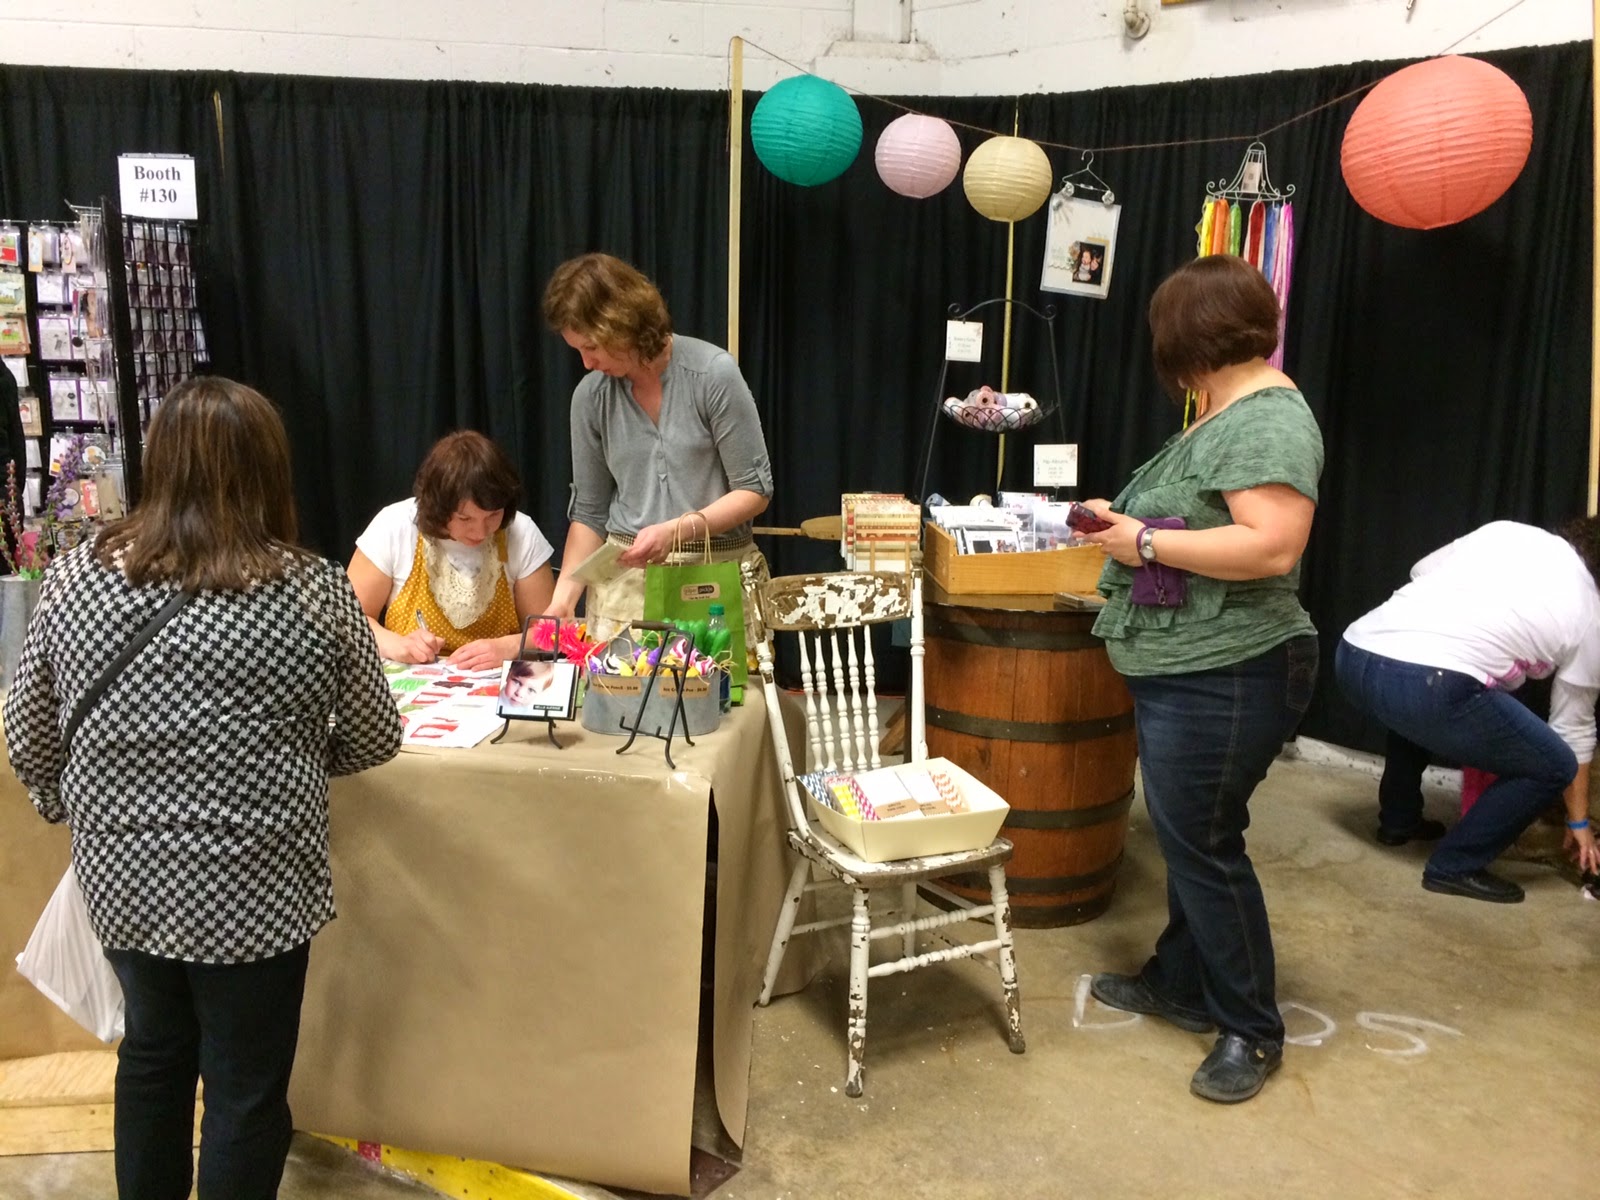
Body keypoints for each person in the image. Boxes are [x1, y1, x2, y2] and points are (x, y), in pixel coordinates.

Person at [3, 377, 403, 1200]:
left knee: (152, 1057)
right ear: (269, 470)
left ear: (160, 465)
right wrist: (284, 759)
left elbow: (28, 734)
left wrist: (78, 805)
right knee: (245, 1087)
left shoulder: (76, 580)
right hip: (259, 884)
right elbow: (374, 735)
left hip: (123, 879)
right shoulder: (313, 589)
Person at [1079, 254, 1324, 1105]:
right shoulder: (1227, 411)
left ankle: (1252, 1029)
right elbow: (1211, 523)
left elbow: (1272, 546)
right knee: (1191, 837)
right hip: (1197, 667)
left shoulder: (1267, 418)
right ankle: (1181, 983)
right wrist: (1128, 525)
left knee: (1206, 846)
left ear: (1185, 336)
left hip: (1232, 669)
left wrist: (1143, 542)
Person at [1335, 519, 1600, 902]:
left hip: (1353, 655)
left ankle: (1399, 820)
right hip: (1424, 685)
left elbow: (1421, 570)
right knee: (1554, 764)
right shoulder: (1592, 615)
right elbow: (1572, 730)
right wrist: (1578, 822)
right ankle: (1455, 865)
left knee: (1417, 702)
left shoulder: (1509, 532)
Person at [541, 252, 773, 643]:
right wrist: (563, 600)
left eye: (592, 347)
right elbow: (590, 513)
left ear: (621, 323)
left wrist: (675, 532)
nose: (586, 363)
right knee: (619, 685)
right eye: (577, 350)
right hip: (625, 592)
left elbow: (754, 491)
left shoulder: (712, 374)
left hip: (713, 580)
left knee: (719, 685)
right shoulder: (591, 398)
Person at [348, 430, 556, 669]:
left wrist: (510, 646)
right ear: (437, 508)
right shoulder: (394, 526)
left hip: (496, 680)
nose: (480, 531)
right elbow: (349, 620)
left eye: (493, 515)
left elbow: (553, 631)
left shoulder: (521, 532)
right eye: (465, 519)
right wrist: (396, 644)